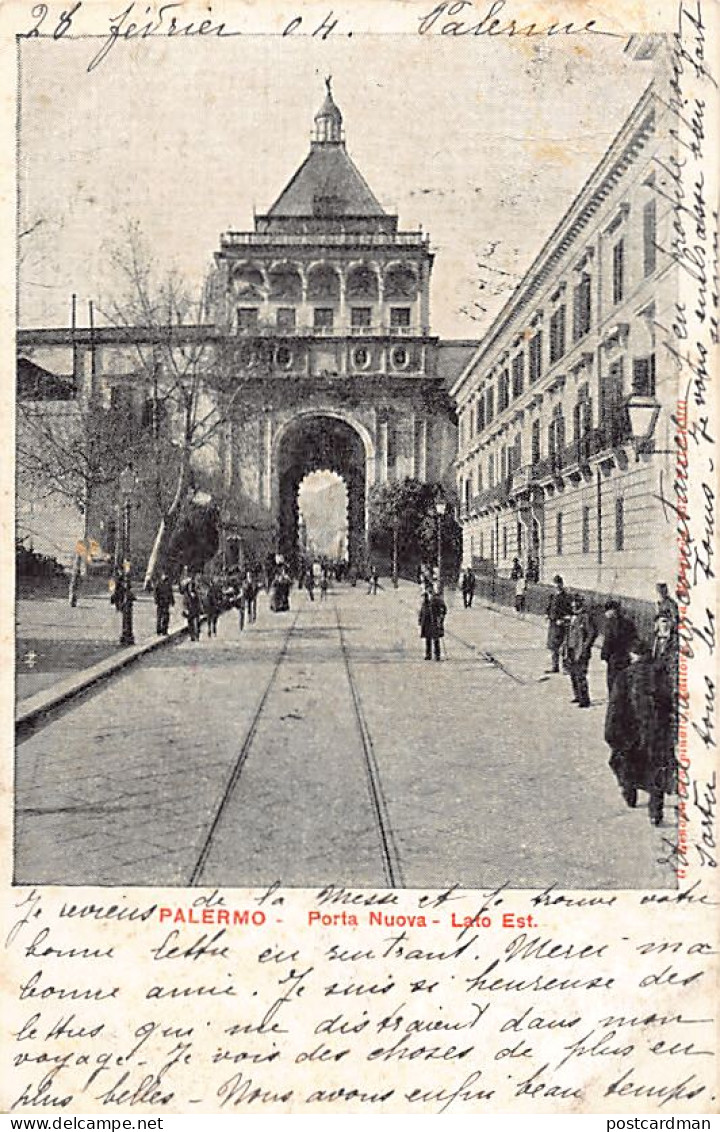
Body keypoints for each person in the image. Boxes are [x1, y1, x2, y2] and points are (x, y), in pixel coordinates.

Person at [604, 639, 676, 825]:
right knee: (656, 768)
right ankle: (655, 812)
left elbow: (615, 708)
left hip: (631, 732)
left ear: (633, 655)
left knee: (627, 762)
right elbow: (669, 704)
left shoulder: (624, 676)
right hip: (656, 731)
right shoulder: (660, 674)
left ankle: (630, 793)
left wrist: (611, 733)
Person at [565, 594, 597, 707]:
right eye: (572, 604)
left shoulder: (585, 616)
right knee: (573, 674)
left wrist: (585, 646)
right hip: (571, 649)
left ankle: (584, 699)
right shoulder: (573, 617)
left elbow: (592, 633)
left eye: (575, 603)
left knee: (581, 675)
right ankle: (577, 695)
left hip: (580, 650)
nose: (572, 606)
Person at [600, 599, 637, 693]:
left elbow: (608, 641)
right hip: (626, 657)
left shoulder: (610, 624)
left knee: (613, 683)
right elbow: (634, 639)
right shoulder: (629, 623)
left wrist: (604, 655)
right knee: (624, 684)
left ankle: (614, 705)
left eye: (607, 611)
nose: (606, 613)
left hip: (614, 658)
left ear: (612, 611)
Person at [545, 574, 572, 673]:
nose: (556, 586)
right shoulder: (552, 596)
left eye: (558, 584)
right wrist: (547, 614)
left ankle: (565, 667)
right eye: (555, 584)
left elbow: (569, 611)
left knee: (563, 646)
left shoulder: (566, 596)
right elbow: (549, 607)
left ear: (561, 584)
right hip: (553, 623)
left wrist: (563, 619)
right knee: (553, 646)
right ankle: (555, 666)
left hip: (561, 624)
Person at [419, 583, 447, 661]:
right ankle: (428, 655)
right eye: (428, 590)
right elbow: (422, 610)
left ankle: (437, 655)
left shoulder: (437, 599)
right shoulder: (425, 599)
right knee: (428, 639)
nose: (429, 592)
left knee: (436, 639)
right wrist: (420, 619)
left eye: (430, 590)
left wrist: (441, 617)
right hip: (427, 622)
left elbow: (443, 609)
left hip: (435, 621)